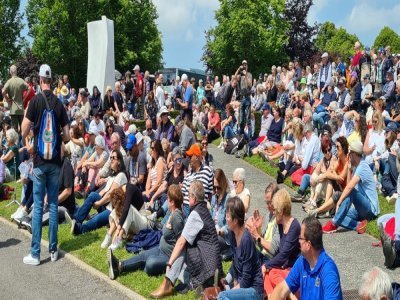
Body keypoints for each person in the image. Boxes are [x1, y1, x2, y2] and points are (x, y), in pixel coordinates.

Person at [21, 64, 70, 265]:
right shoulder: (59, 104)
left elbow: (24, 128)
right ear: (52, 80)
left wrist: (27, 143)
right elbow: (67, 136)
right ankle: (52, 250)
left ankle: (35, 253)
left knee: (39, 206)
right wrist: (57, 137)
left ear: (40, 80)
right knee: (53, 205)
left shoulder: (35, 101)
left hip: (40, 162)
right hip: (55, 163)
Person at [150, 180, 222, 298]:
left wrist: (169, 264)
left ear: (193, 197)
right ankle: (193, 283)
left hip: (207, 270)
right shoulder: (205, 211)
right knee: (187, 244)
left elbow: (181, 242)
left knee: (183, 244)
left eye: (189, 195)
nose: (188, 198)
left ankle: (168, 282)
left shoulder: (196, 214)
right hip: (214, 269)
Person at [108, 184, 184, 279]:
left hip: (168, 255)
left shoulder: (177, 217)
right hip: (160, 248)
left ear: (172, 202)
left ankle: (146, 265)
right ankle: (119, 266)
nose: (166, 201)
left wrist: (171, 263)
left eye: (168, 199)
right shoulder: (172, 213)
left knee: (149, 264)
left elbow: (181, 242)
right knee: (142, 255)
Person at [270, 216, 343, 300]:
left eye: (300, 238)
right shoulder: (302, 261)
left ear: (308, 244)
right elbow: (281, 290)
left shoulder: (328, 270)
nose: (298, 241)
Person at [322, 140, 380, 234]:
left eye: (349, 153)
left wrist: (339, 201)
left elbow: (349, 188)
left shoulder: (363, 166)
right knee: (339, 214)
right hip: (361, 208)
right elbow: (349, 184)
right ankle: (358, 225)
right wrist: (349, 168)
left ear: (353, 154)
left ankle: (333, 224)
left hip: (370, 210)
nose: (348, 155)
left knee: (351, 192)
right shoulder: (357, 166)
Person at [70, 149, 127, 235]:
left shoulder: (121, 176)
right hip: (107, 206)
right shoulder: (113, 176)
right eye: (110, 157)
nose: (111, 159)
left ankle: (79, 229)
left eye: (113, 158)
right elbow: (104, 191)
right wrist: (95, 199)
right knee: (93, 195)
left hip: (113, 211)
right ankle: (76, 219)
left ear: (119, 161)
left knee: (95, 220)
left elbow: (110, 194)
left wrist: (99, 203)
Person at [218, 196, 264, 300]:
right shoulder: (231, 234)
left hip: (253, 290)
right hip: (242, 285)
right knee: (219, 293)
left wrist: (232, 291)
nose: (226, 218)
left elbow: (246, 280)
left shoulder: (246, 240)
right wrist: (227, 280)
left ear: (235, 221)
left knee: (222, 296)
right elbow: (235, 262)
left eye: (228, 216)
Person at [263, 189, 301, 298]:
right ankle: (274, 296)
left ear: (282, 210)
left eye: (275, 210)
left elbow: (284, 255)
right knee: (267, 273)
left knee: (272, 272)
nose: (273, 213)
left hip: (293, 269)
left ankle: (288, 294)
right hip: (284, 268)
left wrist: (266, 265)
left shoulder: (294, 226)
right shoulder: (281, 225)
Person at [246, 183, 280, 260]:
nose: (267, 206)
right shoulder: (269, 215)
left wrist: (257, 236)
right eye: (266, 202)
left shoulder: (280, 219)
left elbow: (273, 250)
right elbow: (262, 243)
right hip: (263, 254)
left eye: (270, 202)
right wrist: (258, 228)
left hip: (270, 259)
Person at [2, 65, 29, 129]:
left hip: (13, 109)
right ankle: (22, 139)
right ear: (16, 71)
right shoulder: (21, 81)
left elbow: (3, 91)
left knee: (15, 129)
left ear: (10, 72)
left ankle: (17, 139)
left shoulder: (9, 82)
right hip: (21, 108)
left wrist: (8, 99)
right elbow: (29, 88)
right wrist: (24, 99)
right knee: (23, 128)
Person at [235, 60, 252, 135]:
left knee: (248, 118)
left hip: (247, 98)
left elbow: (250, 85)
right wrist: (239, 69)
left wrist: (245, 75)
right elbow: (234, 78)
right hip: (242, 99)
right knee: (241, 119)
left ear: (247, 66)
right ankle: (241, 135)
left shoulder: (249, 75)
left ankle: (249, 136)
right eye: (243, 65)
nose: (244, 66)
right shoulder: (241, 76)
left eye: (245, 65)